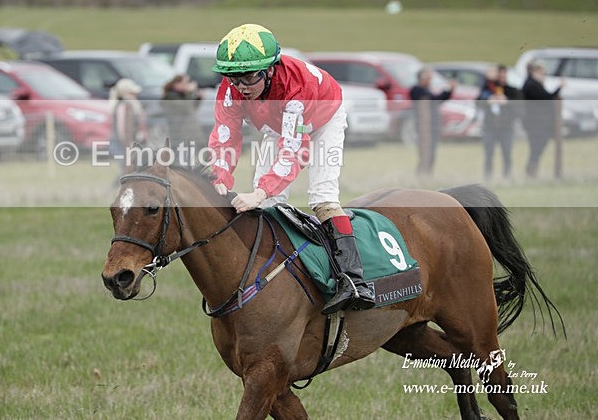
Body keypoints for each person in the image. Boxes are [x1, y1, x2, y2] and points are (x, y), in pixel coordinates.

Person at [208, 23, 374, 314]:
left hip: (323, 118)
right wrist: (220, 177)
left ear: (269, 69)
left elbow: (293, 151)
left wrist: (258, 193)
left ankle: (355, 282)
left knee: (321, 197)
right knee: (271, 202)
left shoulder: (295, 87)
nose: (242, 87)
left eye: (248, 77)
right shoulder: (230, 89)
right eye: (234, 78)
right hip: (278, 122)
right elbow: (225, 133)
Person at [409, 68, 456, 176]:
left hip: (432, 127)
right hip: (424, 128)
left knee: (431, 153)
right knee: (425, 154)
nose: (430, 80)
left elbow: (438, 99)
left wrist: (449, 90)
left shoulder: (427, 90)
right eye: (428, 77)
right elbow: (433, 99)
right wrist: (446, 90)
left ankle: (427, 175)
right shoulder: (417, 90)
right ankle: (422, 175)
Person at [478, 65, 521, 180]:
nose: (501, 77)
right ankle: (488, 178)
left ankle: (507, 177)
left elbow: (519, 108)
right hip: (490, 128)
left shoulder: (512, 91)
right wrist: (489, 100)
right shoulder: (488, 89)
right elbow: (478, 100)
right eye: (499, 75)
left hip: (506, 128)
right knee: (489, 154)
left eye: (504, 75)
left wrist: (506, 102)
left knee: (507, 154)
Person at [522, 61, 564, 178]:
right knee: (536, 147)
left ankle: (532, 171)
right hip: (535, 124)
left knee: (538, 148)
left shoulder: (535, 84)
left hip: (540, 123)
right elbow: (546, 97)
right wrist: (559, 88)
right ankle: (531, 172)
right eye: (541, 72)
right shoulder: (531, 85)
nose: (543, 74)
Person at [109, 78, 147, 176]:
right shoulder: (125, 106)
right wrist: (128, 144)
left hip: (128, 143)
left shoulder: (131, 105)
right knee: (127, 169)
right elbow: (122, 128)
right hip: (123, 143)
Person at [162, 74, 204, 154]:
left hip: (187, 133)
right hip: (179, 134)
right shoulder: (171, 96)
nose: (187, 85)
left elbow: (192, 108)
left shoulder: (182, 95)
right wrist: (190, 92)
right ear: (177, 84)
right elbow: (186, 108)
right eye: (185, 83)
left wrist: (198, 98)